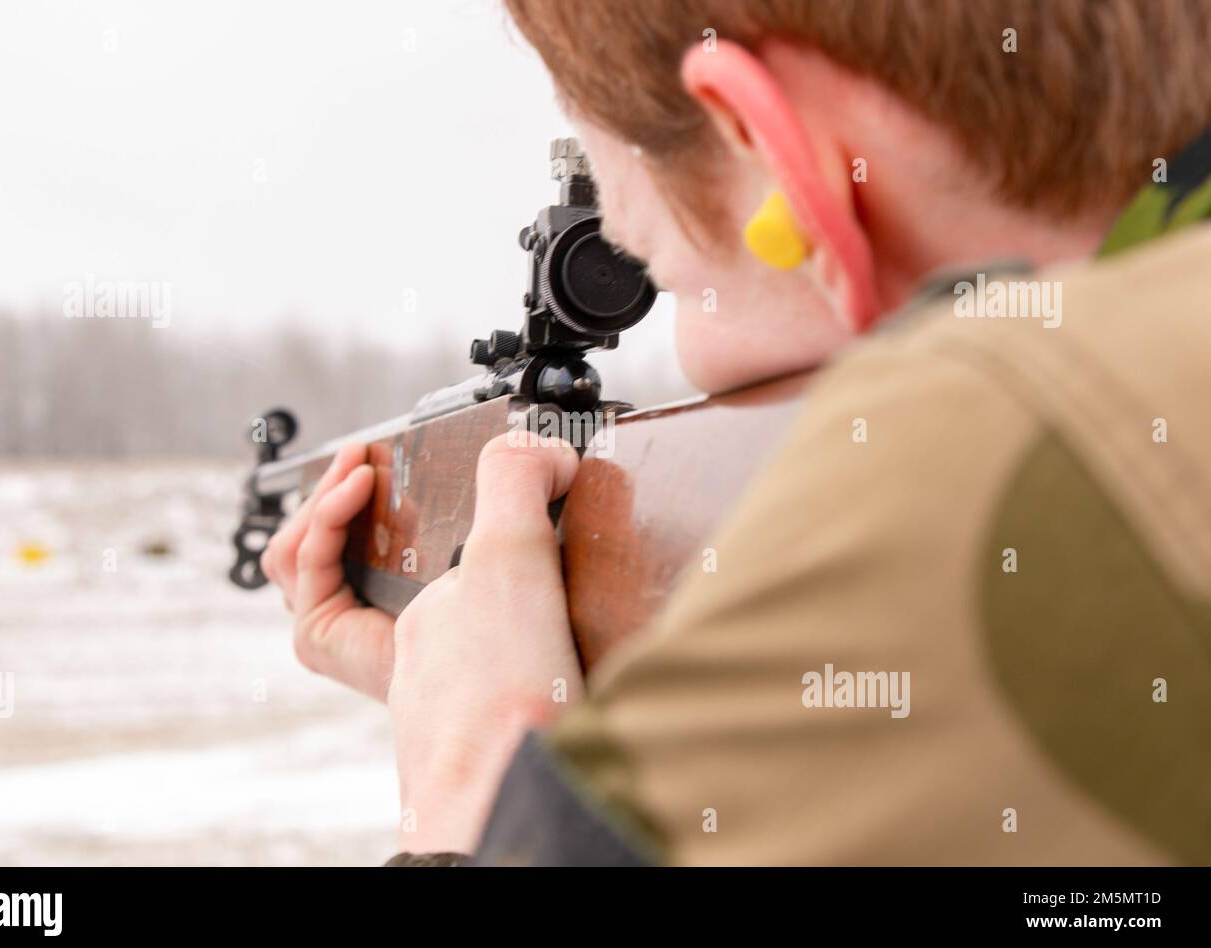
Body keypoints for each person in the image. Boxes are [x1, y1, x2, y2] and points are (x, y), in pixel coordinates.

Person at [262, 0, 1211, 864]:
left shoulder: (985, 433)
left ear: (778, 167)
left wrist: (476, 781)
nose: (686, 352)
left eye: (659, 273)